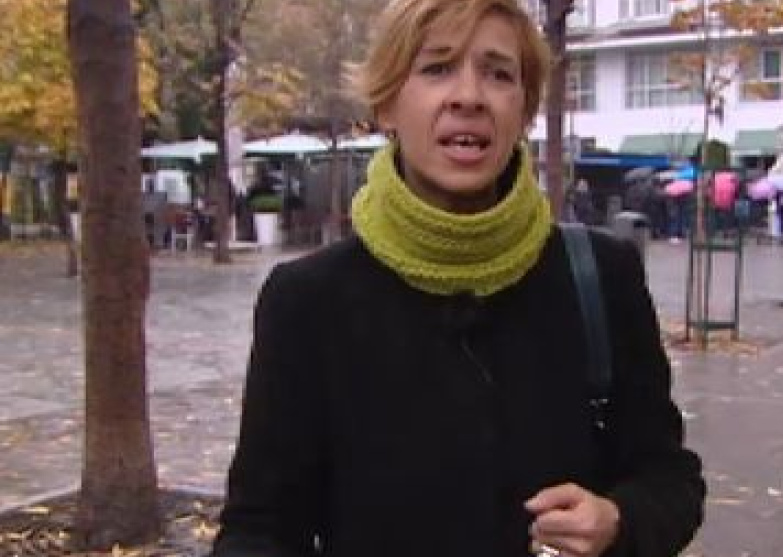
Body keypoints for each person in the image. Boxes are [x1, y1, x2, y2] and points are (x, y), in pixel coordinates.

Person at [209, 1, 705, 556]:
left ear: (524, 110)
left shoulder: (600, 274)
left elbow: (670, 478)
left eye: (498, 74)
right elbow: (259, 529)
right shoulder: (308, 300)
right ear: (387, 105)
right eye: (437, 68)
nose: (469, 96)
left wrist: (618, 520)